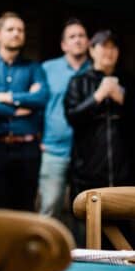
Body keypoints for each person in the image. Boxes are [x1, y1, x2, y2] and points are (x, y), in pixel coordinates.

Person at [65, 31, 135, 234]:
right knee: (88, 233)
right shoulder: (78, 81)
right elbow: (72, 117)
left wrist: (122, 99)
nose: (109, 51)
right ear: (91, 50)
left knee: (122, 234)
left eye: (113, 47)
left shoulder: (129, 81)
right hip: (88, 171)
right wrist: (97, 96)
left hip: (123, 172)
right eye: (103, 46)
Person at [0, 12, 48, 211]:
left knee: (26, 209)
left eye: (20, 30)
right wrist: (18, 110)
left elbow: (42, 98)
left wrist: (8, 97)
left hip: (27, 149)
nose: (16, 33)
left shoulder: (34, 68)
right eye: (11, 29)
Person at [38, 18, 90, 222]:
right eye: (72, 36)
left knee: (86, 213)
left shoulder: (95, 69)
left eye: (81, 36)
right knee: (50, 207)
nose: (77, 40)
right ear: (63, 44)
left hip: (87, 153)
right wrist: (38, 137)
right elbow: (38, 105)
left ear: (88, 42)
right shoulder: (47, 69)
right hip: (53, 149)